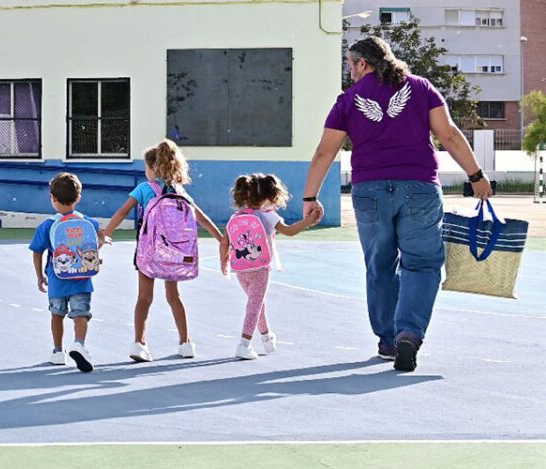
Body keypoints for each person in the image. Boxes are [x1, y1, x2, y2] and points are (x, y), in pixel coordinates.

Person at [302, 36, 493, 371]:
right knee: (421, 264)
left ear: (363, 63)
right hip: (419, 187)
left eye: (350, 64)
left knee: (380, 265)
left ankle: (388, 340)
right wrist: (476, 175)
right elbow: (447, 134)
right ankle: (410, 333)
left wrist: (310, 197)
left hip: (370, 192)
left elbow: (324, 152)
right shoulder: (421, 88)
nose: (349, 71)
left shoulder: (348, 100)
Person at [103, 139, 225, 362]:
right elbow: (202, 218)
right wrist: (221, 238)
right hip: (174, 253)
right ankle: (186, 342)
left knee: (144, 297)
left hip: (148, 252)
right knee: (173, 296)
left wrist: (105, 234)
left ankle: (139, 344)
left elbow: (121, 213)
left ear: (153, 168)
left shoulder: (144, 188)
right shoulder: (180, 191)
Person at [221, 174, 321, 360]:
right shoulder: (268, 215)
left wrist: (224, 262)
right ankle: (244, 343)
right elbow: (290, 231)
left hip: (241, 269)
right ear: (268, 195)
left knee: (257, 304)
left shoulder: (237, 216)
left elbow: (225, 242)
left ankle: (267, 338)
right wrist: (309, 221)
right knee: (255, 305)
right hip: (260, 268)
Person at [29, 172, 106, 373]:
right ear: (78, 198)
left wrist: (40, 276)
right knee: (81, 313)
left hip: (57, 279)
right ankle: (79, 343)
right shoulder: (87, 221)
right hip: (81, 278)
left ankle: (57, 352)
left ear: (52, 198)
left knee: (57, 314)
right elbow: (99, 237)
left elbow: (37, 252)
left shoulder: (47, 225)